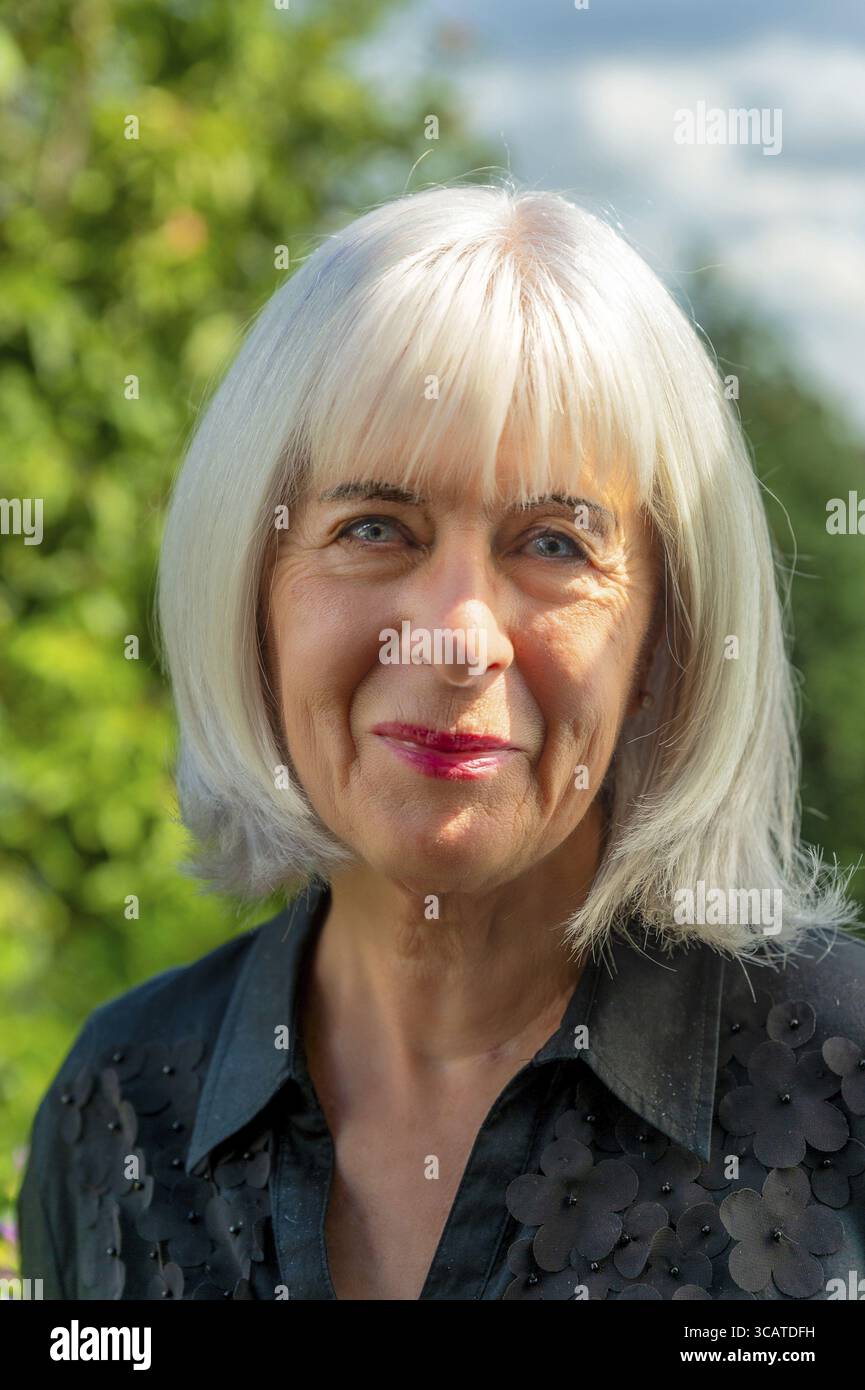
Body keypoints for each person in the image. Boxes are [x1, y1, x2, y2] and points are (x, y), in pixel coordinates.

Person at [17, 181, 865, 1301]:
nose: (457, 635)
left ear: (670, 631)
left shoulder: (840, 1095)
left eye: (555, 542)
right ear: (250, 592)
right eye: (374, 527)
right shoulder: (116, 1103)